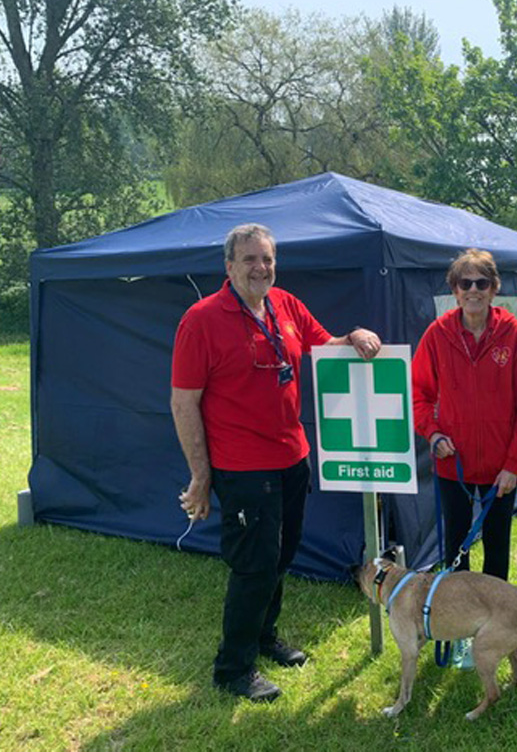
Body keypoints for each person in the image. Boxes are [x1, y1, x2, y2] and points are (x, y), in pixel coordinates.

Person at [171, 223, 381, 702]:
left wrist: (354, 334)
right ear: (228, 267)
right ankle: (233, 669)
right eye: (249, 259)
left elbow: (323, 345)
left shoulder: (285, 304)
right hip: (242, 467)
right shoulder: (201, 320)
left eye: (266, 259)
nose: (260, 268)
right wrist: (201, 477)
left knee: (281, 556)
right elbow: (184, 403)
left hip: (292, 457)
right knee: (255, 565)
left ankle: (265, 639)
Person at [412, 248, 517, 582]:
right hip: (452, 463)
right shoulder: (437, 335)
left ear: (494, 288)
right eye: (464, 283)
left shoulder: (514, 335)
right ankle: (457, 626)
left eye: (481, 283)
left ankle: (495, 626)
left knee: (497, 551)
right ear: (454, 291)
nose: (473, 290)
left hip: (501, 469)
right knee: (456, 550)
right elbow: (418, 395)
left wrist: (514, 465)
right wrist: (434, 433)